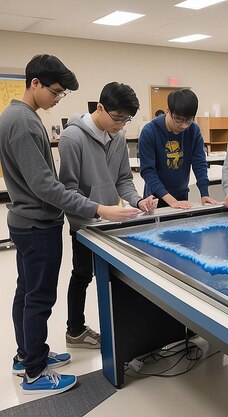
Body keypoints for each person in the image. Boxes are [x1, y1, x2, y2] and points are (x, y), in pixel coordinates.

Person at [0, 54, 142, 395]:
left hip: (30, 221)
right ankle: (34, 372)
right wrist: (98, 209)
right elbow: (47, 186)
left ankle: (28, 355)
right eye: (57, 92)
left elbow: (119, 178)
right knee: (39, 298)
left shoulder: (20, 116)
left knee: (27, 292)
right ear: (35, 83)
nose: (58, 98)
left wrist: (129, 202)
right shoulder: (23, 123)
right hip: (36, 223)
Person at [58, 82, 158, 350]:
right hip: (85, 224)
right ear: (100, 108)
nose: (121, 125)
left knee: (115, 276)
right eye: (117, 118)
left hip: (112, 224)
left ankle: (121, 330)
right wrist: (98, 210)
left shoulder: (119, 137)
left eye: (126, 120)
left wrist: (139, 200)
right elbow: (67, 190)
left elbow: (123, 179)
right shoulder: (72, 138)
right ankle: (75, 331)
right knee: (82, 275)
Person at [138, 89, 218, 208]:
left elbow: (199, 163)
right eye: (178, 119)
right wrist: (171, 201)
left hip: (181, 194)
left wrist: (204, 193)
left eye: (188, 120)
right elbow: (148, 171)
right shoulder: (150, 131)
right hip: (155, 197)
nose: (183, 125)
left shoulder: (193, 130)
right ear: (168, 111)